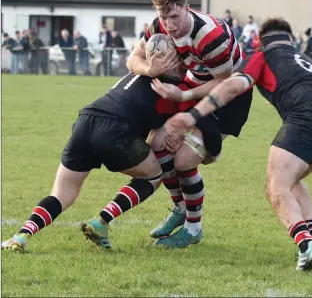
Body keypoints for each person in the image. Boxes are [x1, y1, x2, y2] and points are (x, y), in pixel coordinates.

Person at [164, 17, 312, 271]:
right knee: (291, 181)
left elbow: (231, 87)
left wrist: (192, 112)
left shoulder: (262, 56)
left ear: (261, 41)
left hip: (305, 120)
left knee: (276, 188)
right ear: (290, 40)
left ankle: (307, 246)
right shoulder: (306, 60)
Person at [1, 72, 208, 252]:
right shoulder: (173, 86)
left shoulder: (136, 70)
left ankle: (21, 236)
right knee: (153, 175)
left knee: (61, 194)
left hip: (86, 120)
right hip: (115, 129)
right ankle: (102, 221)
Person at [126, 0, 252, 248]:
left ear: (186, 8)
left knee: (183, 160)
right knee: (157, 144)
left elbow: (223, 83)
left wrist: (181, 98)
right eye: (164, 17)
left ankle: (193, 230)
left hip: (230, 97)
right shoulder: (158, 26)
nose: (169, 25)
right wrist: (150, 69)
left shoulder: (211, 36)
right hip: (193, 85)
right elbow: (133, 58)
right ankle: (180, 209)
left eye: (174, 16)